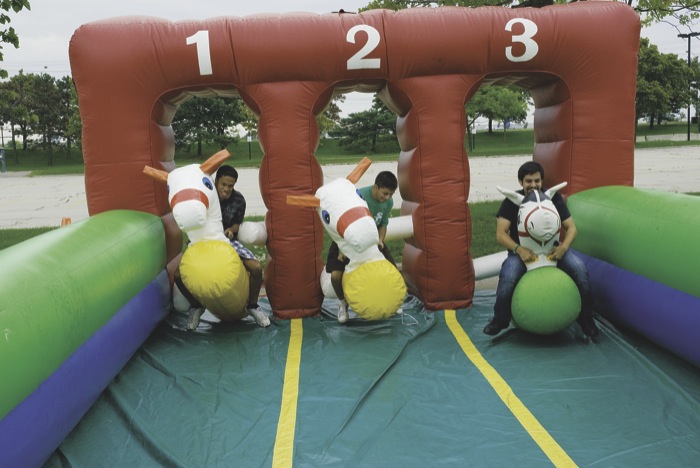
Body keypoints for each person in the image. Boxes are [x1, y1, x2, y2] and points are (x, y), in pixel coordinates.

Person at [483, 161, 599, 339]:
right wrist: (518, 249)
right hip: (522, 252)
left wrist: (563, 248)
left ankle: (586, 318)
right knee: (508, 276)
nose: (533, 185)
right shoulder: (511, 201)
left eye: (537, 180)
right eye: (528, 181)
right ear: (521, 182)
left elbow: (572, 228)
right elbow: (500, 234)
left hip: (553, 250)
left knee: (579, 269)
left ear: (542, 181)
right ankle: (500, 318)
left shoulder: (553, 198)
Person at [327, 171, 399, 323]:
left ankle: (394, 299)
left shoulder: (388, 202)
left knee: (393, 269)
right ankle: (342, 303)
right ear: (376, 187)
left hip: (371, 239)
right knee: (336, 276)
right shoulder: (358, 197)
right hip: (346, 239)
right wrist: (341, 249)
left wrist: (380, 240)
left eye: (391, 194)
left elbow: (383, 223)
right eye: (385, 193)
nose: (387, 198)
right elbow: (341, 223)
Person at [215, 164, 270, 327]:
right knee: (180, 275)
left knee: (256, 268)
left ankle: (252, 305)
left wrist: (231, 231)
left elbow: (237, 224)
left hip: (229, 241)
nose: (227, 189)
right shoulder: (208, 197)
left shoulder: (238, 200)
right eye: (223, 184)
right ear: (216, 181)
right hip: (207, 241)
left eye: (230, 186)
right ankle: (196, 306)